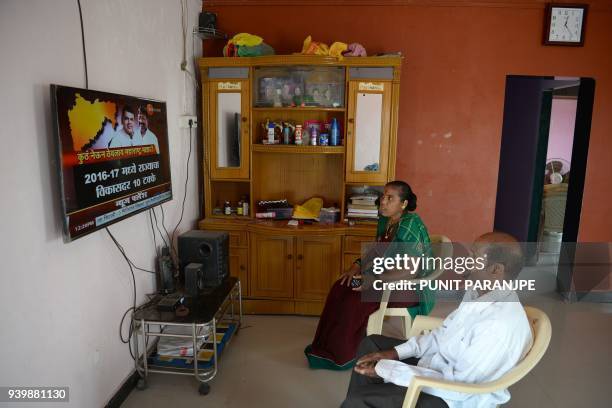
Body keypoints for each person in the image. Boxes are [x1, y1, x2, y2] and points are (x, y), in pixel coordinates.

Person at [342, 232, 533, 408]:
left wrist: (386, 369)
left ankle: (361, 401)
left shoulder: (497, 326)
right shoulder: (477, 293)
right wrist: (394, 354)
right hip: (438, 367)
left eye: (474, 258)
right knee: (371, 344)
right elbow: (443, 334)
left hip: (451, 398)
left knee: (359, 399)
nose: (465, 261)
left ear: (495, 270)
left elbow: (458, 388)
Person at [305, 181, 433, 370]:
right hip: (385, 277)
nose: (383, 201)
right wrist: (355, 267)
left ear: (403, 204)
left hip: (408, 286)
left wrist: (374, 280)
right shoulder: (386, 221)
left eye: (390, 198)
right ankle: (324, 348)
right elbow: (375, 253)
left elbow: (409, 270)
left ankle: (343, 355)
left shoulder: (410, 224)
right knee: (341, 286)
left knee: (355, 299)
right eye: (383, 196)